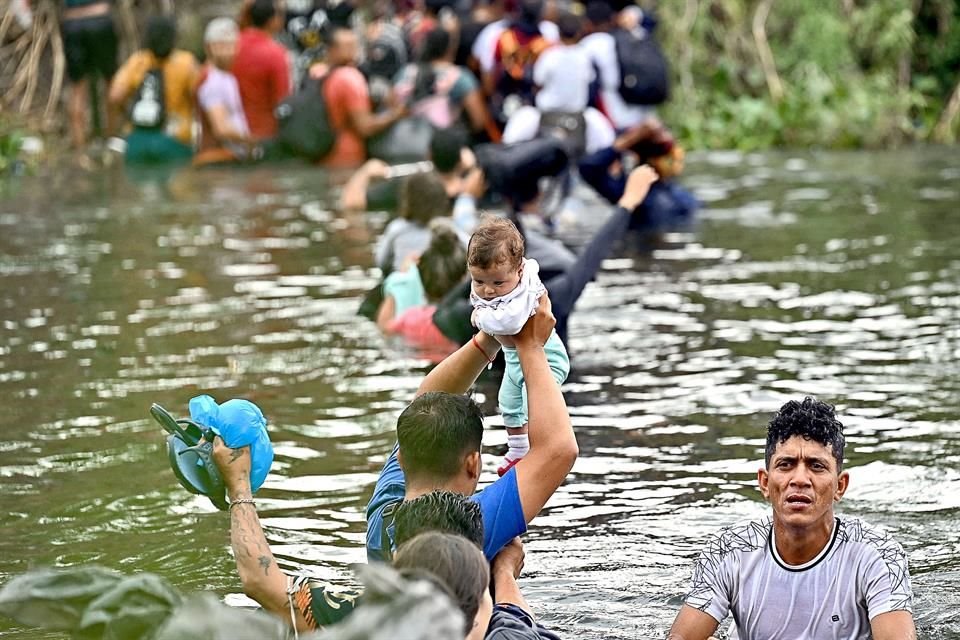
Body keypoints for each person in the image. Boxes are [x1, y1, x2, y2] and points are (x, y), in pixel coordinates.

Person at [668, 397, 916, 640]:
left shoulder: (878, 554)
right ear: (765, 483)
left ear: (840, 486)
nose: (799, 479)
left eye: (816, 466)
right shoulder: (729, 550)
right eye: (786, 464)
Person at [366, 288, 577, 563]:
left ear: (403, 459)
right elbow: (559, 449)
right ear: (472, 464)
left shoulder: (382, 516)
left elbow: (425, 402)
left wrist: (491, 336)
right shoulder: (468, 527)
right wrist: (530, 345)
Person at [432, 164, 660, 347]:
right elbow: (590, 259)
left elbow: (438, 316)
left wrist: (477, 277)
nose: (489, 290)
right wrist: (628, 202)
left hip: (492, 395)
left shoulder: (470, 314)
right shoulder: (549, 303)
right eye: (480, 280)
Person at [468, 217, 569, 476]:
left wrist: (480, 317)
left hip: (548, 357)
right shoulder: (499, 283)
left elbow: (510, 323)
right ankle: (517, 448)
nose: (488, 290)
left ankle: (538, 451)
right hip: (515, 356)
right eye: (480, 281)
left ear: (519, 271)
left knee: (530, 403)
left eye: (497, 283)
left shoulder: (523, 292)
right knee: (507, 402)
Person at [502, 11, 614, 156]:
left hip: (551, 113)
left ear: (558, 32)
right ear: (580, 32)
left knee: (511, 141)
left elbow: (537, 81)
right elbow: (590, 82)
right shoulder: (584, 57)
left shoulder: (550, 56)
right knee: (608, 141)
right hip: (573, 114)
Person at [108, 15, 198, 165]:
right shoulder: (186, 63)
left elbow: (115, 97)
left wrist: (124, 114)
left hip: (136, 144)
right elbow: (200, 96)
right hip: (175, 142)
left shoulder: (137, 61)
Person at [316, 26, 408, 170]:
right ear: (332, 49)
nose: (353, 50)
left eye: (354, 44)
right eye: (349, 46)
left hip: (322, 150)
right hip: (347, 156)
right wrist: (396, 115)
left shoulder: (318, 73)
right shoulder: (350, 78)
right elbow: (365, 127)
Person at [376, 219, 468, 361]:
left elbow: (384, 328)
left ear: (421, 276)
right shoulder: (469, 320)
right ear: (463, 277)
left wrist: (401, 279)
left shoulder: (411, 318)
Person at [392, 27, 494, 138]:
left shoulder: (404, 73)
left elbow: (392, 108)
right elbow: (479, 120)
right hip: (445, 146)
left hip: (406, 141)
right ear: (449, 49)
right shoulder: (461, 77)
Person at [195, 18, 255, 166]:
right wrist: (254, 141)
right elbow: (221, 128)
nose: (229, 51)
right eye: (221, 45)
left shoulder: (226, 77)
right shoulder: (210, 80)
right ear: (209, 47)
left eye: (232, 45)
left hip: (233, 157)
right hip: (218, 159)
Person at [61, 0, 119, 153]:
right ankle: (111, 140)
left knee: (77, 87)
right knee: (110, 82)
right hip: (99, 19)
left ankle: (80, 148)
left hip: (72, 23)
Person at [233, 0, 291, 141]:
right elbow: (282, 99)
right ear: (273, 20)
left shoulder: (232, 46)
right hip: (263, 134)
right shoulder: (275, 53)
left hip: (232, 131)